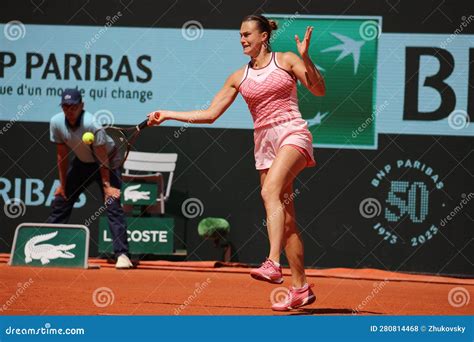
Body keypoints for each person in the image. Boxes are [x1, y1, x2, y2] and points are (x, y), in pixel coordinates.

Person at [147, 15, 325, 310]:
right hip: (264, 145)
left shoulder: (287, 60)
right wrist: (167, 114)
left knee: (269, 193)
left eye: (247, 34)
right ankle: (300, 287)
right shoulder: (239, 76)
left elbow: (319, 90)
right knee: (288, 220)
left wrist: (307, 60)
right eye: (240, 35)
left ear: (264, 36)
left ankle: (272, 262)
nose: (242, 39)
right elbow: (210, 113)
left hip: (293, 133)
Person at [47, 88, 133, 269]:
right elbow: (62, 156)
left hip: (107, 161)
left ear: (81, 106)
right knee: (61, 200)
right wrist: (63, 185)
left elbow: (102, 158)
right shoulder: (56, 122)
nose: (69, 111)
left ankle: (122, 255)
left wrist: (107, 186)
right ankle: (48, 246)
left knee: (112, 203)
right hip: (82, 162)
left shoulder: (92, 124)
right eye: (65, 106)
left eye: (73, 107)